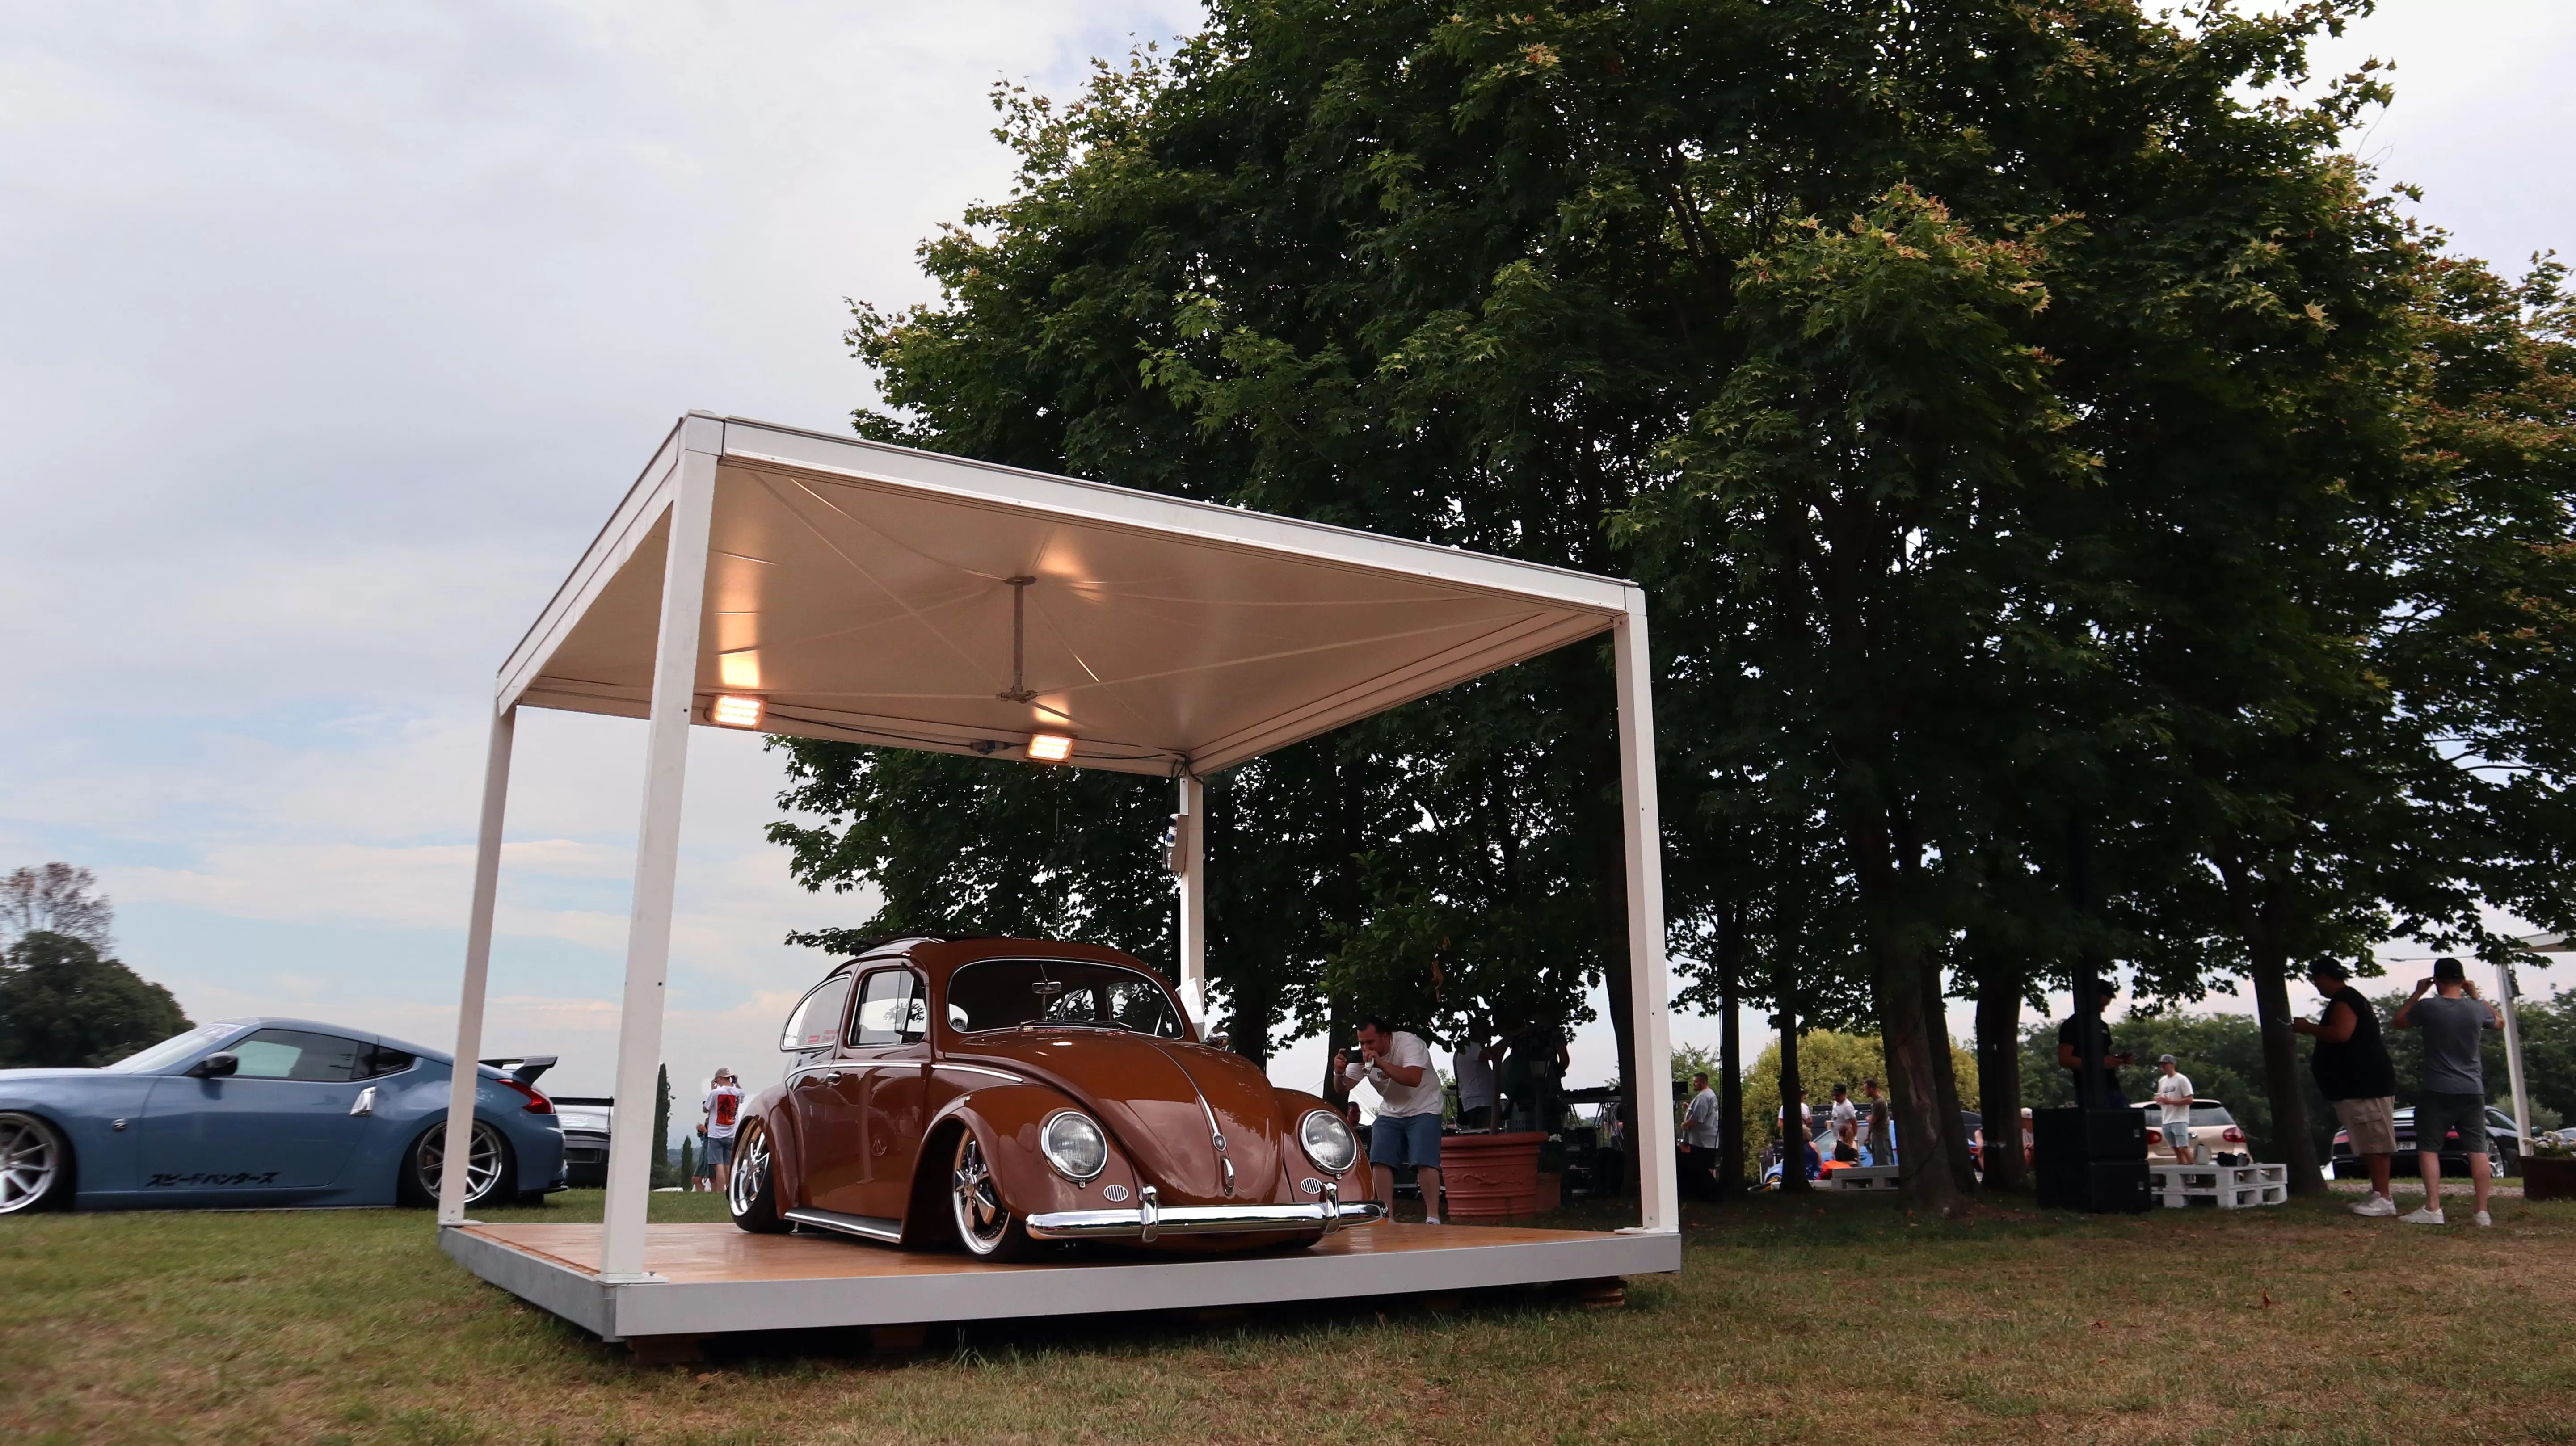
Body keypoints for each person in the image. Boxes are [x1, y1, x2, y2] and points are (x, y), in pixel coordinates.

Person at [2391, 958, 2503, 1227]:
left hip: (2436, 1087)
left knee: (2430, 1148)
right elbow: (2498, 1023)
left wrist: (2418, 992)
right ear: (2462, 981)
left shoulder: (2429, 1008)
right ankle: (2482, 1212)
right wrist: (2476, 995)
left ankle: (2433, 1208)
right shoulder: (2476, 1009)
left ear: (2437, 981)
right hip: (2472, 1089)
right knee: (2477, 1149)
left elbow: (2399, 1022)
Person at [2294, 959, 2399, 1217]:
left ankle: (2384, 1198)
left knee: (2374, 1139)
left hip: (2364, 1084)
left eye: (2316, 979)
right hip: (2357, 1084)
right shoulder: (2350, 998)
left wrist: (2308, 1028)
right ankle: (2378, 1194)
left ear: (2325, 976)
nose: (2316, 985)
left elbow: (2342, 1034)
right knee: (2367, 1139)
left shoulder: (2345, 1000)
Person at [1335, 1016, 1447, 1225]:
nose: (1365, 1047)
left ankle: (1433, 1217)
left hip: (1425, 1106)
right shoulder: (1364, 1058)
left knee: (1424, 1161)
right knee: (1380, 1160)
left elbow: (1413, 1079)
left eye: (1370, 1042)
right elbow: (1342, 1088)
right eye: (1361, 1043)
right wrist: (1339, 1073)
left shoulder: (1410, 1044)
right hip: (1391, 1110)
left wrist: (1380, 1063)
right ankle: (1387, 1218)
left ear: (1386, 1037)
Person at [2057, 981, 2134, 1106]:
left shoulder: (2103, 1026)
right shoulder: (2072, 1025)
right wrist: (2098, 1063)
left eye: (2105, 1006)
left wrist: (2120, 1060)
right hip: (2090, 1090)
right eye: (2100, 1006)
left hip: (2113, 1086)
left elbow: (2106, 1057)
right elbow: (2064, 1060)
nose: (2103, 1010)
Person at [700, 1067, 745, 1197]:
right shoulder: (738, 1092)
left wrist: (713, 1089)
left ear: (719, 1078)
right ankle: (731, 1191)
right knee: (728, 1165)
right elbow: (742, 1093)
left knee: (718, 1165)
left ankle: (720, 1192)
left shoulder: (716, 1093)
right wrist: (736, 1082)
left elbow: (706, 1109)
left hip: (716, 1134)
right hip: (732, 1133)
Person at [1679, 1071, 1721, 1197]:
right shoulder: (1710, 1095)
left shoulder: (1703, 1097)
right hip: (1709, 1139)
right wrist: (1689, 1108)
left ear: (1703, 1082)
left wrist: (1685, 1125)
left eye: (1696, 1082)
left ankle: (1709, 1194)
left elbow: (1698, 1119)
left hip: (1702, 1141)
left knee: (1701, 1169)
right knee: (1707, 1167)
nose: (1694, 1085)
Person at [2151, 1054, 2197, 1165]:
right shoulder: (2162, 1081)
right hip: (2166, 1119)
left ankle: (2197, 1171)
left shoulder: (2182, 1080)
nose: (2162, 1067)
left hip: (2179, 1119)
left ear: (2172, 1065)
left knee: (2183, 1148)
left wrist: (2171, 1102)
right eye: (2161, 1065)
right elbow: (2160, 1096)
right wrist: (2158, 1099)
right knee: (2176, 1149)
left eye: (2165, 1064)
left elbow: (2190, 1100)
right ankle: (2182, 1171)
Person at [1453, 1021, 1498, 1130]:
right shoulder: (1471, 1047)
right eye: (1488, 1033)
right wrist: (1508, 1040)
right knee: (1485, 1136)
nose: (1490, 1037)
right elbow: (1492, 1054)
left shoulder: (1463, 1048)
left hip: (1476, 1102)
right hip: (1480, 1102)